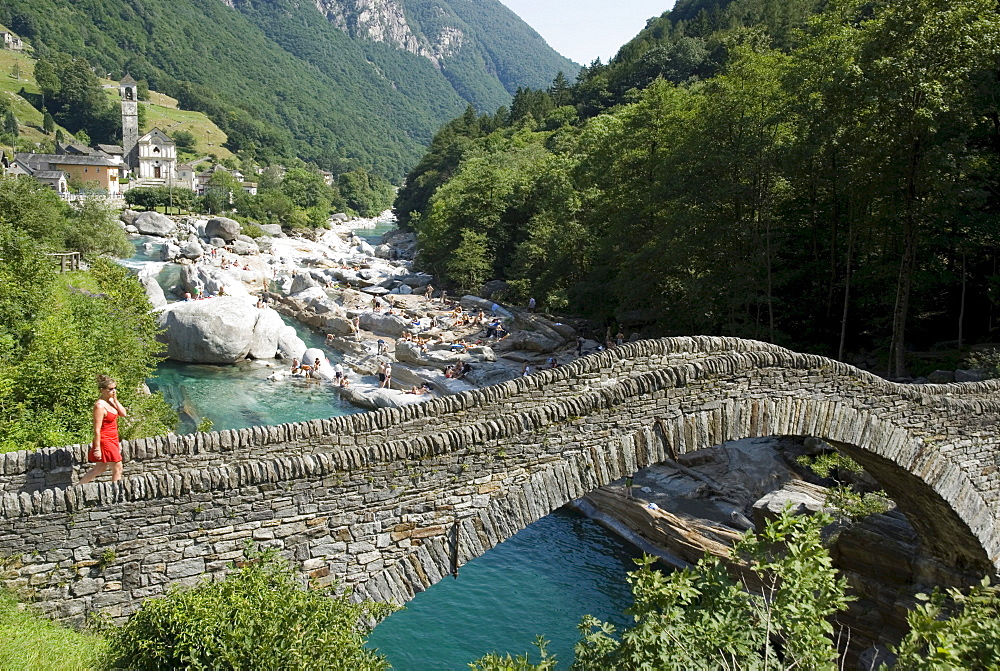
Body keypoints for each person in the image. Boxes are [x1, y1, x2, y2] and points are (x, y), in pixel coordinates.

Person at [79, 375, 126, 484]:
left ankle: (78, 487)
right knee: (118, 467)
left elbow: (123, 413)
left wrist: (115, 400)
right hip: (105, 440)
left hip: (113, 439)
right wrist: (97, 449)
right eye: (110, 389)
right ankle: (116, 493)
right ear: (102, 390)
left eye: (115, 388)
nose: (114, 391)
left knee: (99, 468)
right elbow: (96, 429)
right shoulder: (99, 406)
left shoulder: (111, 402)